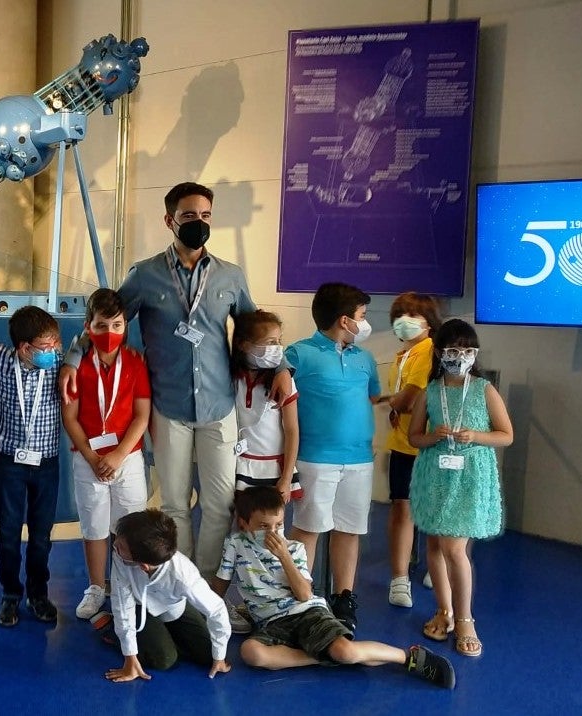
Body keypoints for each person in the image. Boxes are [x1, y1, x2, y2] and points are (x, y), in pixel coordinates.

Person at [59, 182, 290, 583]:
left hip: (219, 404)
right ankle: (179, 584)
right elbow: (107, 319)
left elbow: (256, 328)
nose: (198, 223)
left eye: (205, 216)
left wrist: (282, 366)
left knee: (219, 505)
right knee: (174, 505)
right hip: (168, 407)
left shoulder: (230, 276)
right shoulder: (145, 275)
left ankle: (209, 586)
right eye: (188, 216)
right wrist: (73, 358)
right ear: (170, 220)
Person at [213, 487, 456, 688]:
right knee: (251, 653)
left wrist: (284, 557)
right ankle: (321, 656)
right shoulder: (235, 544)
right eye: (264, 526)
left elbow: (304, 594)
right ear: (244, 524)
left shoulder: (294, 548)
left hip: (306, 612)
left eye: (278, 524)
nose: (273, 532)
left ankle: (409, 656)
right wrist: (210, 612)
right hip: (271, 623)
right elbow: (222, 580)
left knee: (346, 653)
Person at [408, 319, 513, 658]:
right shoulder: (430, 391)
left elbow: (506, 435)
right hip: (435, 475)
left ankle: (466, 619)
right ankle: (444, 610)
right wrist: (432, 437)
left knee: (455, 549)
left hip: (470, 476)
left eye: (468, 351)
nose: (460, 357)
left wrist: (476, 436)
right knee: (435, 546)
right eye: (453, 351)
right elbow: (414, 437)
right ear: (440, 353)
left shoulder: (484, 389)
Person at [284, 282, 381, 633]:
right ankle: (301, 598)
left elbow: (371, 398)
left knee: (349, 530)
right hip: (315, 458)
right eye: (362, 316)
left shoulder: (365, 359)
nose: (364, 323)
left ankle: (343, 597)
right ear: (344, 320)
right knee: (308, 528)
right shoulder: (297, 354)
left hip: (359, 461)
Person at [61, 289, 151, 620]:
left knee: (130, 524)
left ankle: (128, 585)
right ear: (88, 326)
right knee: (94, 526)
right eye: (101, 325)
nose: (109, 332)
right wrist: (91, 456)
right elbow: (70, 417)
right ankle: (97, 586)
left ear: (125, 325)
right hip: (88, 459)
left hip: (127, 458)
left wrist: (117, 456)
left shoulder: (136, 363)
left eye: (117, 325)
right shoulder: (76, 367)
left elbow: (142, 415)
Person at [0, 306, 64, 627]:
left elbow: (82, 348)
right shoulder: (1, 359)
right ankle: (11, 593)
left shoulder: (58, 363)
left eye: (55, 343)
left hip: (47, 463)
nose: (53, 350)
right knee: (9, 533)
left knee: (41, 535)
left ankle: (38, 593)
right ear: (25, 348)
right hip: (9, 463)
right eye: (46, 345)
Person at [225, 309, 300, 635]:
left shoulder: (283, 380)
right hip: (242, 468)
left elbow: (292, 431)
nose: (276, 349)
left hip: (274, 470)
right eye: (269, 343)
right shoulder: (231, 377)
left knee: (273, 536)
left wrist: (285, 478)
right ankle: (239, 599)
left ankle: (275, 600)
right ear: (244, 344)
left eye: (278, 342)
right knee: (240, 536)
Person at [94, 509, 231, 682]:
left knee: (209, 655)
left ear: (143, 566)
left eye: (120, 547)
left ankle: (160, 637)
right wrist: (130, 656)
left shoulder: (183, 576)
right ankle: (111, 630)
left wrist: (219, 657)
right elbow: (122, 604)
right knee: (164, 660)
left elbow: (217, 609)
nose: (115, 547)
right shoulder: (121, 559)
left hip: (173, 607)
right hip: (138, 607)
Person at [376, 292, 442, 609]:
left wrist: (388, 402)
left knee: (433, 510)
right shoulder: (404, 355)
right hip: (402, 445)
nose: (405, 321)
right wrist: (395, 405)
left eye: (413, 315)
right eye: (400, 315)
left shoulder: (430, 351)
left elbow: (409, 398)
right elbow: (402, 401)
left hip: (429, 445)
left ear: (429, 321)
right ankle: (399, 578)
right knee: (402, 508)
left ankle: (437, 565)